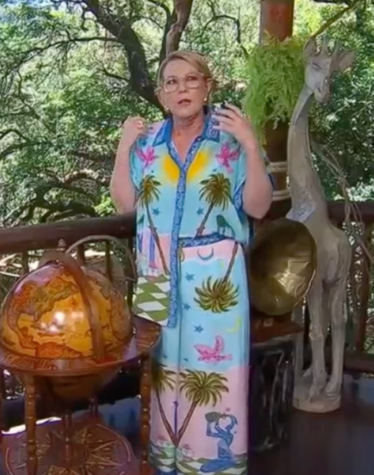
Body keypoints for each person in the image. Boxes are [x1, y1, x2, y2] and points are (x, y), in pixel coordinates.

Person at [110, 50, 273, 474]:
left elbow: (257, 207)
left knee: (215, 373)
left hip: (215, 279)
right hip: (156, 271)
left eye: (191, 80)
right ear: (162, 95)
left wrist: (252, 144)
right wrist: (124, 146)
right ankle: (167, 462)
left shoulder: (230, 143)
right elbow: (125, 204)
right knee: (162, 368)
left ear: (207, 87)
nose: (181, 89)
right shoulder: (147, 145)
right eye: (171, 82)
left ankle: (215, 465)